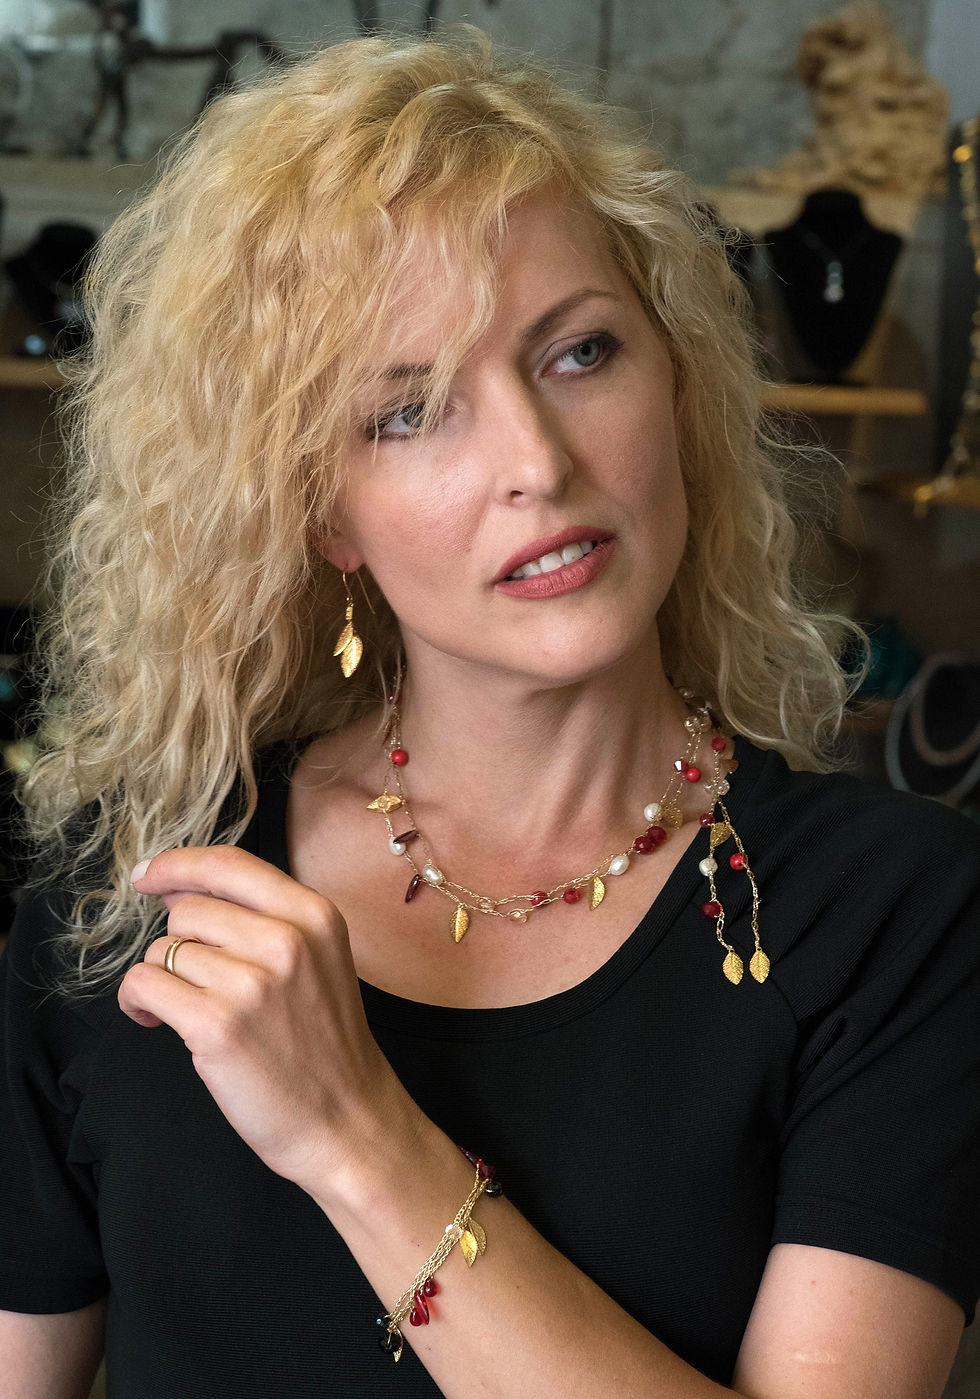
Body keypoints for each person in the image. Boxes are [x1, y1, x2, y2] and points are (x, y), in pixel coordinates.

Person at [0, 27, 977, 1399]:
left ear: (678, 378)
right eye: (407, 414)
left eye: (580, 352)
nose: (538, 461)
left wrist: (360, 1139)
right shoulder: (137, 892)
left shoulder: (895, 913)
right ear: (322, 514)